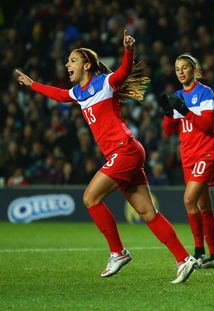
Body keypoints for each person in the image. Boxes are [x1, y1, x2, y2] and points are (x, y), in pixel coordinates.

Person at [16, 30, 198, 283]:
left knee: (90, 198)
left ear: (87, 64)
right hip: (126, 152)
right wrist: (32, 84)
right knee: (148, 212)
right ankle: (183, 259)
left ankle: (118, 252)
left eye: (72, 60)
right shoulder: (78, 93)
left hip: (124, 150)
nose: (67, 64)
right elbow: (58, 94)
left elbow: (123, 72)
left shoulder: (104, 82)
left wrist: (128, 50)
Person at [159, 53, 214, 268]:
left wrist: (184, 110)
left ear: (194, 69)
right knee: (203, 205)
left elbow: (207, 125)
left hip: (206, 152)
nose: (181, 71)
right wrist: (168, 113)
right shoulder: (176, 95)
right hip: (188, 156)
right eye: (177, 69)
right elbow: (168, 132)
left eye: (185, 67)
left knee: (188, 200)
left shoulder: (205, 93)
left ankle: (199, 253)